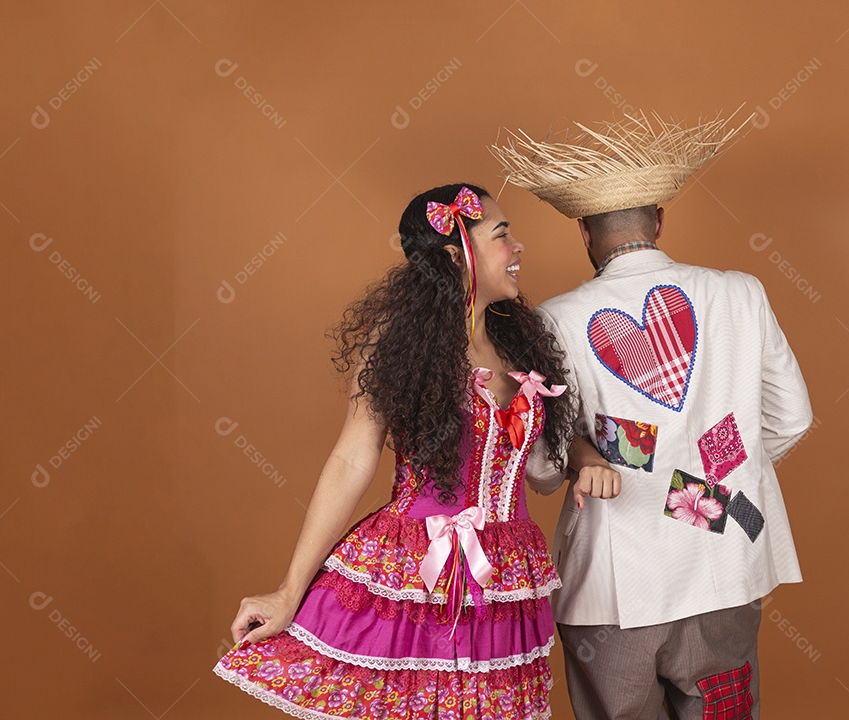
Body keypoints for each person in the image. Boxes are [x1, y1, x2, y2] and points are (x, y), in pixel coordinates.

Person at [213, 183, 617, 719]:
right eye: (502, 236)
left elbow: (551, 447)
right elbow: (351, 461)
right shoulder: (400, 344)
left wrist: (587, 457)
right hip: (414, 571)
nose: (518, 248)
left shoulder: (523, 338)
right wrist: (288, 593)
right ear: (457, 256)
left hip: (507, 578)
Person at [492, 113, 813, 719]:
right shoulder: (741, 293)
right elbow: (791, 418)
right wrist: (707, 481)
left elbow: (538, 466)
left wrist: (620, 462)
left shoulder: (551, 321)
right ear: (660, 221)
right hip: (724, 566)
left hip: (611, 588)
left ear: (585, 233)